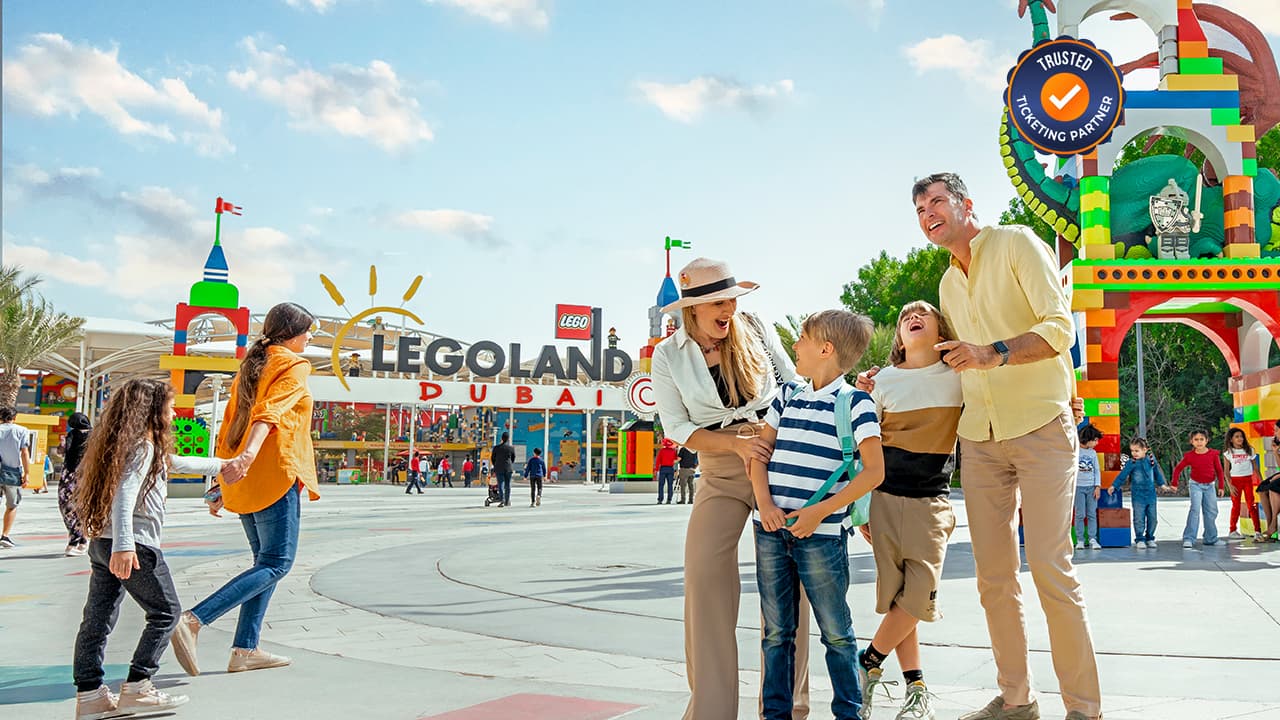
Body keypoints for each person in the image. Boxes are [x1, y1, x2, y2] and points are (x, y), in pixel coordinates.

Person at [863, 174, 1101, 720]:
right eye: (919, 207)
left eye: (937, 202)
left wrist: (994, 351)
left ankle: (1084, 710)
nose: (928, 214)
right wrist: (890, 379)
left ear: (967, 205)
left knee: (1050, 569)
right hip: (980, 441)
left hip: (1040, 425)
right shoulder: (946, 285)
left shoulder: (1017, 243)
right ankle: (1017, 701)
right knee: (993, 580)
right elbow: (945, 365)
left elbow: (1060, 329)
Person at [650, 257, 811, 720]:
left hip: (777, 458)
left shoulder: (754, 327)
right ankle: (711, 711)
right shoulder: (669, 355)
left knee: (787, 588)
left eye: (732, 300)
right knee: (704, 578)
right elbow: (678, 426)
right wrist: (732, 444)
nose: (729, 309)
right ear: (693, 309)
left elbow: (792, 383)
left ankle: (787, 711)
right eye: (719, 302)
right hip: (719, 466)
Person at [169, 302, 322, 677]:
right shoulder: (293, 365)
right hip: (271, 476)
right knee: (276, 563)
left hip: (245, 478)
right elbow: (267, 416)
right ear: (293, 333)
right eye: (309, 331)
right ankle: (193, 620)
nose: (310, 338)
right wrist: (246, 459)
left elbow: (230, 425)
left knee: (263, 564)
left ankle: (245, 649)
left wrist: (222, 479)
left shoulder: (252, 365)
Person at [751, 310, 883, 720]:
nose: (795, 346)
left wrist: (819, 512)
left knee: (837, 633)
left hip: (822, 535)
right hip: (770, 531)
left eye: (802, 338)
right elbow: (759, 456)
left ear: (825, 349)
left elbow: (874, 471)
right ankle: (776, 714)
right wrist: (765, 505)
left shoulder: (855, 403)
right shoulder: (785, 396)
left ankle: (849, 712)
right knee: (776, 634)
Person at [71, 379, 226, 719]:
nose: (173, 414)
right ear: (152, 411)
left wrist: (223, 465)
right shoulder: (144, 447)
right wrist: (126, 546)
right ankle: (139, 687)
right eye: (170, 408)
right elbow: (126, 496)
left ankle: (90, 695)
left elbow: (178, 463)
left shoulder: (126, 446)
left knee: (97, 619)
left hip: (103, 543)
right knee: (167, 612)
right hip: (134, 545)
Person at [858, 300, 963, 720]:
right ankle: (915, 688)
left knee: (920, 593)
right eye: (904, 317)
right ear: (899, 339)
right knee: (900, 599)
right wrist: (861, 507)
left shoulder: (959, 374)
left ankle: (867, 661)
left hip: (932, 500)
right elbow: (863, 450)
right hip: (883, 498)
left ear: (940, 331)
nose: (912, 316)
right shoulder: (880, 381)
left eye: (924, 313)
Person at [1108, 437, 1167, 549]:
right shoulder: (1132, 463)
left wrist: (1162, 484)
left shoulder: (1151, 459)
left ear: (1145, 450)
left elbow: (1157, 473)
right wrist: (1114, 486)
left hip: (1151, 495)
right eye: (1132, 451)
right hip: (1138, 496)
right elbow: (1123, 475)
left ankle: (1150, 537)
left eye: (1136, 451)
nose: (1134, 453)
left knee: (1152, 518)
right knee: (1139, 518)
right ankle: (1140, 538)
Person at [1171, 429, 1226, 548]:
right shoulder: (1190, 456)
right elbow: (1178, 469)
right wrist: (1174, 483)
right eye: (1196, 439)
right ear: (1191, 441)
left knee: (1211, 511)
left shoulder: (1213, 454)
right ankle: (1189, 538)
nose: (1199, 442)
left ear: (1207, 440)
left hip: (1210, 486)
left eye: (1202, 439)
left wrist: (1221, 486)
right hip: (1195, 485)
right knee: (1195, 510)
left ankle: (1211, 538)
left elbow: (1219, 471)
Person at [60, 412, 93, 557]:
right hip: (84, 474)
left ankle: (75, 540)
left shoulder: (75, 435)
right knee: (79, 507)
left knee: (68, 507)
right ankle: (82, 539)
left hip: (72, 475)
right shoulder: (74, 435)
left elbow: (62, 452)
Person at [1223, 427, 1263, 541]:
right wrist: (1230, 486)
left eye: (1241, 436)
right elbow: (1226, 472)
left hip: (1247, 480)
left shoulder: (1249, 450)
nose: (1240, 438)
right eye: (1237, 437)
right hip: (1235, 482)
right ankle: (1232, 530)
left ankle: (1258, 531)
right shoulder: (1228, 453)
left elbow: (1256, 468)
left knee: (1251, 505)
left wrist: (1261, 482)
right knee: (1236, 506)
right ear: (1231, 439)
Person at [0, 406, 31, 549]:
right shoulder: (21, 430)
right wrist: (27, 474)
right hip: (13, 473)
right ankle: (4, 535)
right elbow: (24, 453)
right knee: (12, 506)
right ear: (15, 418)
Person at [1074, 425, 1104, 551]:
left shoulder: (1092, 453)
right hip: (1078, 487)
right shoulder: (1075, 451)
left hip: (1091, 487)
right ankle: (1080, 539)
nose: (1097, 443)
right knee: (1080, 514)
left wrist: (1097, 486)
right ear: (1088, 439)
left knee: (1092, 514)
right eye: (1095, 440)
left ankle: (1093, 538)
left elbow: (1097, 470)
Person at [491, 433, 516, 507]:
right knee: (508, 485)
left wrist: (495, 465)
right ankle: (507, 501)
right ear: (508, 439)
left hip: (499, 468)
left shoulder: (496, 448)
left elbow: (493, 458)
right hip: (508, 468)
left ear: (501, 438)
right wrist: (510, 464)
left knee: (500, 484)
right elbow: (513, 458)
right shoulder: (511, 448)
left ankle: (502, 500)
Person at [655, 438, 678, 504]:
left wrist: (656, 469)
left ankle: (660, 499)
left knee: (661, 485)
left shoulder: (662, 451)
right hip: (670, 469)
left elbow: (658, 461)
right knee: (670, 485)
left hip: (663, 468)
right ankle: (669, 499)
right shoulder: (673, 451)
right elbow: (675, 460)